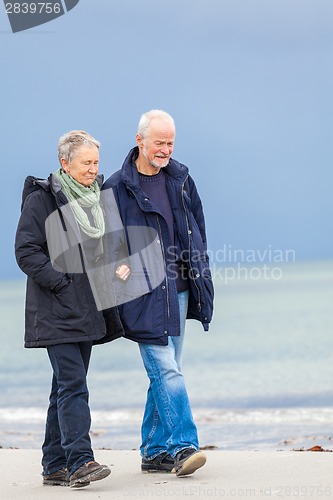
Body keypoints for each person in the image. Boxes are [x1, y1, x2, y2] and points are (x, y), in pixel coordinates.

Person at [103, 110, 214, 476]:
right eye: (160, 142)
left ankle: (153, 451)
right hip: (142, 294)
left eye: (171, 142)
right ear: (140, 141)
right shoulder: (116, 187)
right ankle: (183, 446)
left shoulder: (181, 179)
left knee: (168, 371)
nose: (166, 149)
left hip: (181, 290)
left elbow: (197, 225)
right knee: (167, 371)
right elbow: (105, 243)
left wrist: (201, 268)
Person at [15, 130, 124, 488]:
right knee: (74, 385)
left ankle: (52, 464)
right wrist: (62, 284)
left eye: (96, 162)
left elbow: (105, 250)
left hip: (88, 309)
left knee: (64, 386)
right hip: (56, 309)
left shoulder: (98, 200)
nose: (93, 169)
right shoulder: (41, 200)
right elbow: (26, 252)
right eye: (86, 163)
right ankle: (80, 462)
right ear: (65, 163)